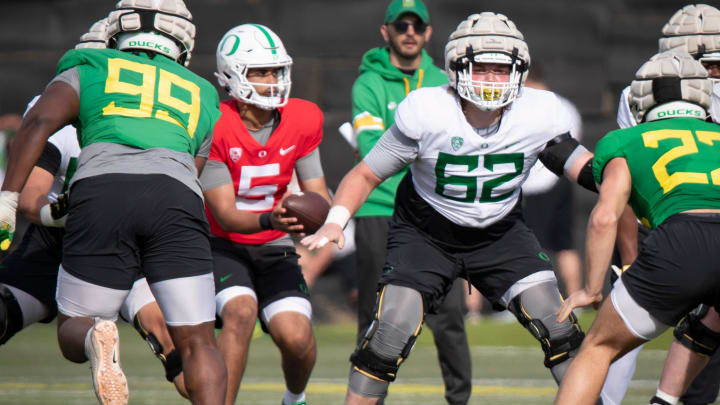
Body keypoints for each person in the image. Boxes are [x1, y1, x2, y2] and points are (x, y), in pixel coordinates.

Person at [303, 12, 600, 405]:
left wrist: (631, 179)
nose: (492, 80)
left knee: (559, 327)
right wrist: (336, 221)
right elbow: (364, 175)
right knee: (390, 332)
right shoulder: (427, 111)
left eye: (501, 69)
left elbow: (589, 171)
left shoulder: (539, 112)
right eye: (482, 68)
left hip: (501, 233)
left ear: (519, 71)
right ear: (457, 67)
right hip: (426, 233)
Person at [0, 1, 227, 404]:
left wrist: (8, 198)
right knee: (199, 342)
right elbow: (191, 169)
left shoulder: (91, 68)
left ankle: (94, 336)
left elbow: (36, 124)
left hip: (100, 200)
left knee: (77, 330)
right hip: (174, 198)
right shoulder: (203, 91)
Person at [554, 50, 720, 405]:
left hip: (681, 242)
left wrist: (592, 288)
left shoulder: (624, 141)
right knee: (707, 325)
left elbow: (604, 217)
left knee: (597, 348)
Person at [199, 23, 330, 405]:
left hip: (275, 247)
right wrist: (271, 220)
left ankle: (295, 398)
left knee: (297, 337)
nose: (272, 80)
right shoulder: (215, 124)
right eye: (260, 71)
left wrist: (322, 221)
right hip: (222, 245)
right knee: (240, 312)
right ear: (231, 75)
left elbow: (317, 194)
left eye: (277, 70)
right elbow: (224, 214)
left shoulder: (302, 119)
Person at [350, 1, 472, 402]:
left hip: (437, 213)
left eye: (416, 25)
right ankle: (369, 398)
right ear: (386, 32)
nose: (409, 32)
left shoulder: (445, 81)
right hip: (379, 209)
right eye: (400, 25)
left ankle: (459, 400)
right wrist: (429, 151)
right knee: (375, 315)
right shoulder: (367, 83)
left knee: (451, 315)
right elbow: (372, 149)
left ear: (428, 33)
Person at [606, 5, 720, 405]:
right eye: (713, 64)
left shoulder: (642, 90)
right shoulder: (641, 91)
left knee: (705, 336)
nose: (717, 73)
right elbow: (624, 186)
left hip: (690, 225)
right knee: (616, 338)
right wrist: (630, 254)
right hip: (659, 223)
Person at [521, 65, 584, 297]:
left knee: (525, 248)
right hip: (562, 182)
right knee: (565, 245)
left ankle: (529, 300)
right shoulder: (566, 107)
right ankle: (576, 297)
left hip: (533, 185)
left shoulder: (527, 107)